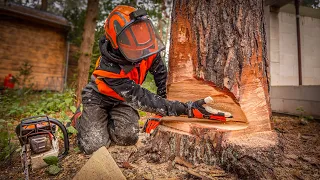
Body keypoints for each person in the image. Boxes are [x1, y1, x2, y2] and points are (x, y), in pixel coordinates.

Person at [76, 5, 230, 154]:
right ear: (117, 43)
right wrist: (186, 108)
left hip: (122, 100)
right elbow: (141, 97)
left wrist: (163, 102)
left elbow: (160, 74)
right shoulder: (109, 68)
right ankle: (81, 120)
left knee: (128, 137)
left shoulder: (146, 47)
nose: (140, 48)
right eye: (131, 43)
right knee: (94, 146)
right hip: (98, 97)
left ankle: (106, 120)